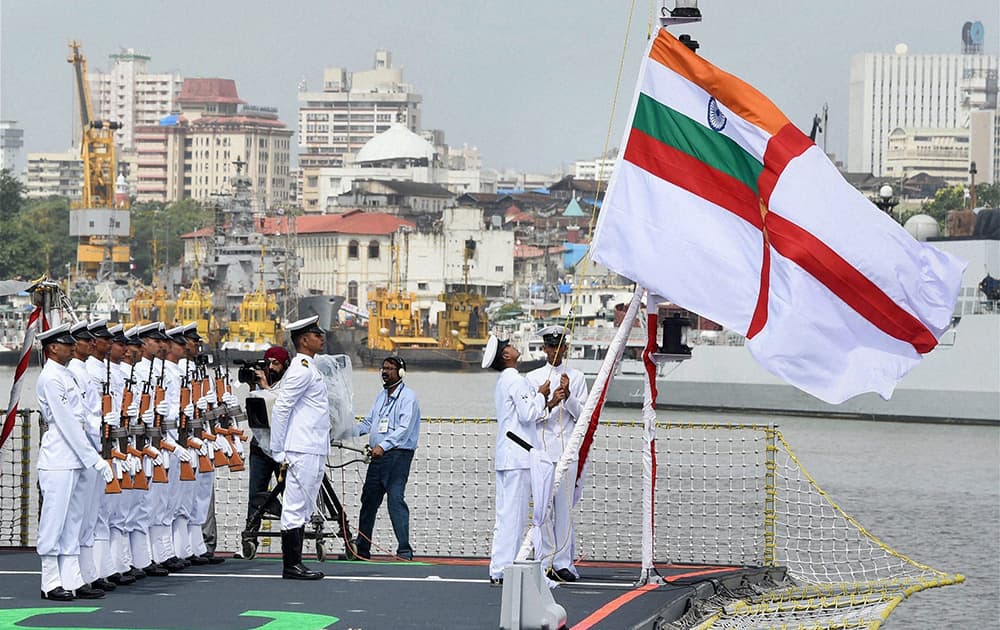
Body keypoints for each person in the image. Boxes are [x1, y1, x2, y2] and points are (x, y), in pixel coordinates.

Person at [35, 323, 113, 601]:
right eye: (66, 344)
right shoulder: (50, 378)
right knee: (54, 521)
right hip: (58, 457)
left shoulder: (67, 374)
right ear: (52, 348)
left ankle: (72, 577)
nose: (72, 347)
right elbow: (67, 424)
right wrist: (95, 459)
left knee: (73, 521)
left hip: (75, 458)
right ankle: (50, 581)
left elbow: (84, 419)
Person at [481, 333, 550, 585]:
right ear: (506, 355)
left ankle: (499, 567)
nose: (513, 346)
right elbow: (528, 414)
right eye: (508, 345)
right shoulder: (516, 381)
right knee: (514, 516)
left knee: (505, 515)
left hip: (508, 455)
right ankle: (504, 569)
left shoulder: (504, 381)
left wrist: (545, 400)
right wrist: (541, 395)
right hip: (518, 456)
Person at [525, 325, 589, 582]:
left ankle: (563, 562)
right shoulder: (533, 378)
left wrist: (569, 397)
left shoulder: (578, 377)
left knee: (564, 509)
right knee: (543, 508)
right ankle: (545, 559)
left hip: (566, 452)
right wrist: (550, 402)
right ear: (544, 348)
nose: (555, 351)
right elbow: (531, 417)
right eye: (551, 346)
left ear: (566, 348)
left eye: (559, 346)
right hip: (542, 450)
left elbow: (584, 415)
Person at [269, 316, 329, 580]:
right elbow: (282, 407)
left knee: (304, 507)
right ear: (304, 340)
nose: (322, 337)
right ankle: (291, 565)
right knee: (294, 506)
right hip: (301, 448)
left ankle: (296, 562)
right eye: (317, 334)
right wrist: (278, 450)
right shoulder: (301, 369)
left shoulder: (310, 367)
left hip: (313, 446)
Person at [350, 356, 421, 560]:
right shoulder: (381, 396)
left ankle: (404, 550)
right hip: (378, 456)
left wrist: (383, 445)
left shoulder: (409, 397)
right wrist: (347, 431)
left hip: (398, 455)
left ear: (400, 372)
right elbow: (369, 422)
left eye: (390, 369)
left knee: (395, 500)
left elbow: (404, 429)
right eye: (384, 368)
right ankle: (362, 548)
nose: (385, 371)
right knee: (369, 500)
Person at [243, 345, 290, 541]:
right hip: (260, 446)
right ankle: (250, 536)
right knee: (255, 493)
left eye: (275, 363)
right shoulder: (261, 383)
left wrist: (266, 387)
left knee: (290, 494)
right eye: (267, 363)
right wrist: (253, 387)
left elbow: (282, 409)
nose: (271, 368)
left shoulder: (291, 383)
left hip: (282, 447)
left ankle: (292, 538)